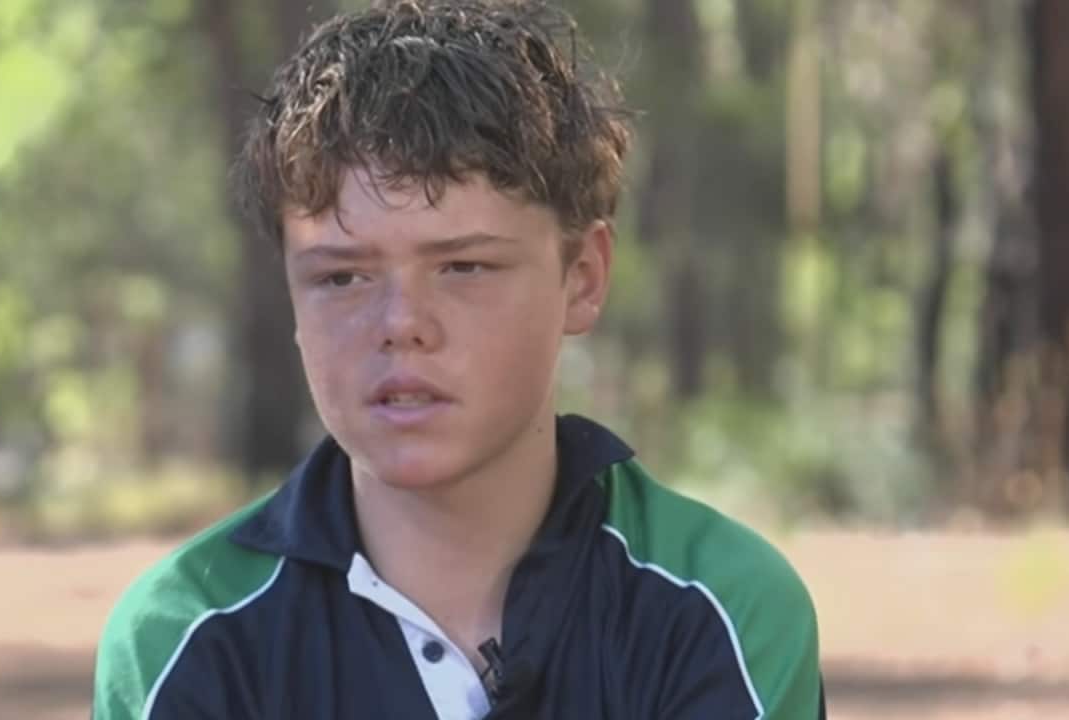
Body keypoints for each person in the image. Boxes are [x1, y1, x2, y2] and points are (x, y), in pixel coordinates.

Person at [93, 1, 825, 718]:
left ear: (583, 278)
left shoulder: (716, 611)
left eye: (464, 267)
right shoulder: (187, 639)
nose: (401, 325)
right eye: (341, 277)